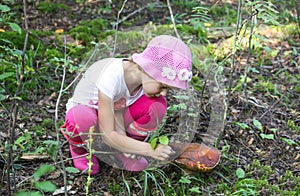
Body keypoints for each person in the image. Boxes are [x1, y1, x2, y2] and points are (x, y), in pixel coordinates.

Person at [60, 35, 193, 175]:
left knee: (156, 105)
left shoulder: (143, 82)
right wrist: (149, 149)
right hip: (89, 114)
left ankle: (124, 149)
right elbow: (107, 134)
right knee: (81, 118)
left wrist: (131, 146)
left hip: (114, 113)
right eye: (162, 86)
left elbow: (118, 110)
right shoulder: (111, 76)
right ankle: (80, 149)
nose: (164, 93)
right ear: (148, 70)